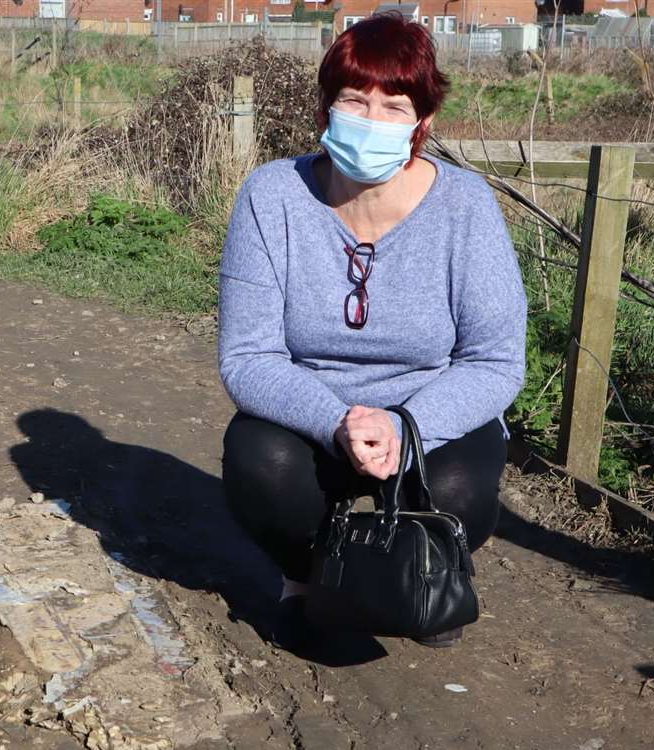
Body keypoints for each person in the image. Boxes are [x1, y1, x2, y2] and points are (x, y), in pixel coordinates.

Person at [217, 14, 527, 650]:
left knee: (459, 490)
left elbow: (495, 362)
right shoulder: (271, 196)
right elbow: (248, 357)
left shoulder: (466, 208)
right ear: (327, 108)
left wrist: (406, 426)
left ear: (423, 123)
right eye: (354, 100)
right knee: (261, 466)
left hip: (428, 410)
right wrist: (336, 421)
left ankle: (432, 566)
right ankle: (304, 578)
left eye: (394, 105)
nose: (370, 117)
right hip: (312, 410)